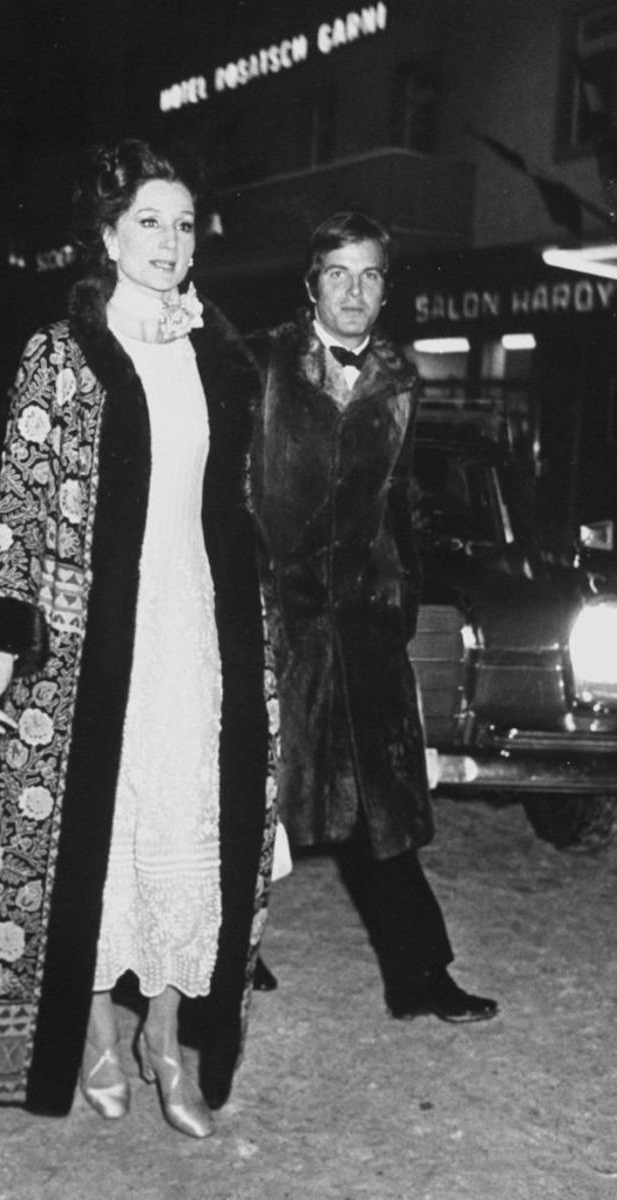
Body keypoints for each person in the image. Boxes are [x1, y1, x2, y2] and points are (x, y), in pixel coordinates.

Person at [0, 137, 272, 1136]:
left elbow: (248, 506)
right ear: (105, 235)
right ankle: (96, 1028)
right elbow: (17, 497)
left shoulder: (219, 356)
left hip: (196, 635)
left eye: (183, 223)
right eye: (147, 219)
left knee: (187, 832)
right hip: (87, 640)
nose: (168, 240)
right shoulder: (61, 356)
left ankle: (167, 1034)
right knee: (90, 842)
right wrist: (4, 638)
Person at [249, 211, 498, 1024]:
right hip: (273, 623)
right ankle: (222, 955)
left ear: (386, 287)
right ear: (311, 282)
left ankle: (422, 977)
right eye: (338, 274)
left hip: (362, 628)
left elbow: (396, 503)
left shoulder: (398, 378)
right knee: (249, 800)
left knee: (382, 812)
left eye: (371, 275)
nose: (354, 292)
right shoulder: (264, 363)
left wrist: (399, 600)